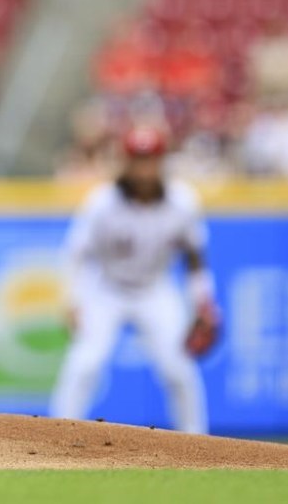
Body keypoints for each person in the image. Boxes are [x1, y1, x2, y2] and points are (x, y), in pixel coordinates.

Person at [49, 126, 217, 434]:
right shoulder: (102, 203)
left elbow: (194, 257)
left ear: (161, 161)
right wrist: (73, 300)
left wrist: (202, 302)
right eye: (137, 159)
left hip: (154, 289)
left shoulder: (182, 202)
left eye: (150, 159)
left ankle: (197, 440)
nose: (143, 168)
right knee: (85, 363)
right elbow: (76, 255)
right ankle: (60, 433)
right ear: (124, 161)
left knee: (178, 369)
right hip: (106, 288)